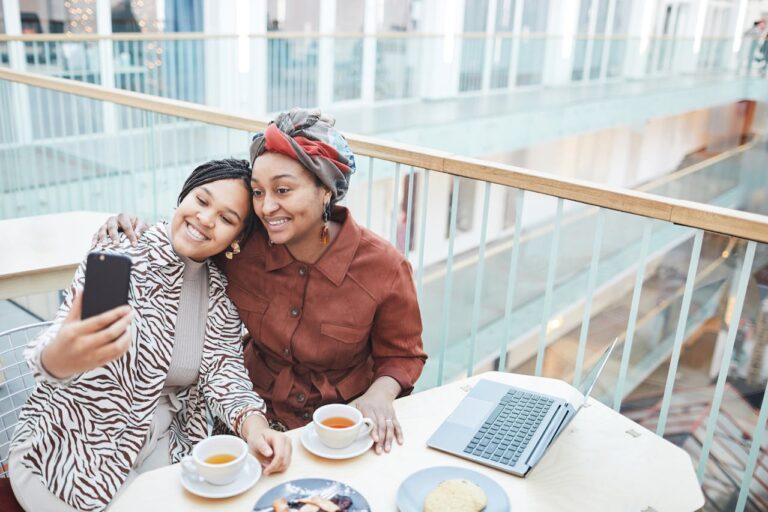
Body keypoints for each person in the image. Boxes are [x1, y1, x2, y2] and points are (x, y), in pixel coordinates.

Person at [96, 108, 427, 455]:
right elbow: (193, 235)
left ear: (325, 191)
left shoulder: (384, 267)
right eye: (257, 192)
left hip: (335, 428)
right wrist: (133, 231)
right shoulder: (240, 247)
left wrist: (380, 393)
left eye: (283, 190)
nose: (267, 207)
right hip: (247, 417)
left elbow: (403, 355)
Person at [10, 159, 292, 512]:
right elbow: (60, 350)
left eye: (226, 219)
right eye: (202, 201)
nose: (206, 219)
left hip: (157, 452)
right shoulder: (118, 251)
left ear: (235, 240)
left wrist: (256, 428)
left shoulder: (219, 291)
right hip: (66, 453)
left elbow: (225, 374)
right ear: (184, 197)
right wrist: (60, 357)